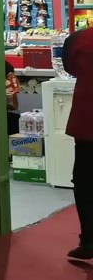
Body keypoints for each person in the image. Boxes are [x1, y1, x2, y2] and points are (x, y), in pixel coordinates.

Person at [58, 27, 93, 261]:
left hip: (88, 124)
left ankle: (89, 240)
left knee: (85, 183)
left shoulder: (79, 39)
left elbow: (70, 68)